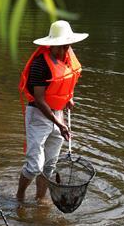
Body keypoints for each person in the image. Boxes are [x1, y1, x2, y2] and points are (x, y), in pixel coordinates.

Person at [16, 20, 88, 203]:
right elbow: (39, 100)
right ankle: (19, 197)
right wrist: (59, 124)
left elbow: (65, 82)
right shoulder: (40, 65)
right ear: (51, 45)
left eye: (66, 46)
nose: (64, 50)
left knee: (49, 166)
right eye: (60, 46)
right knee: (34, 167)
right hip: (38, 115)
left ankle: (40, 200)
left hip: (58, 114)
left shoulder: (68, 58)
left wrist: (68, 98)